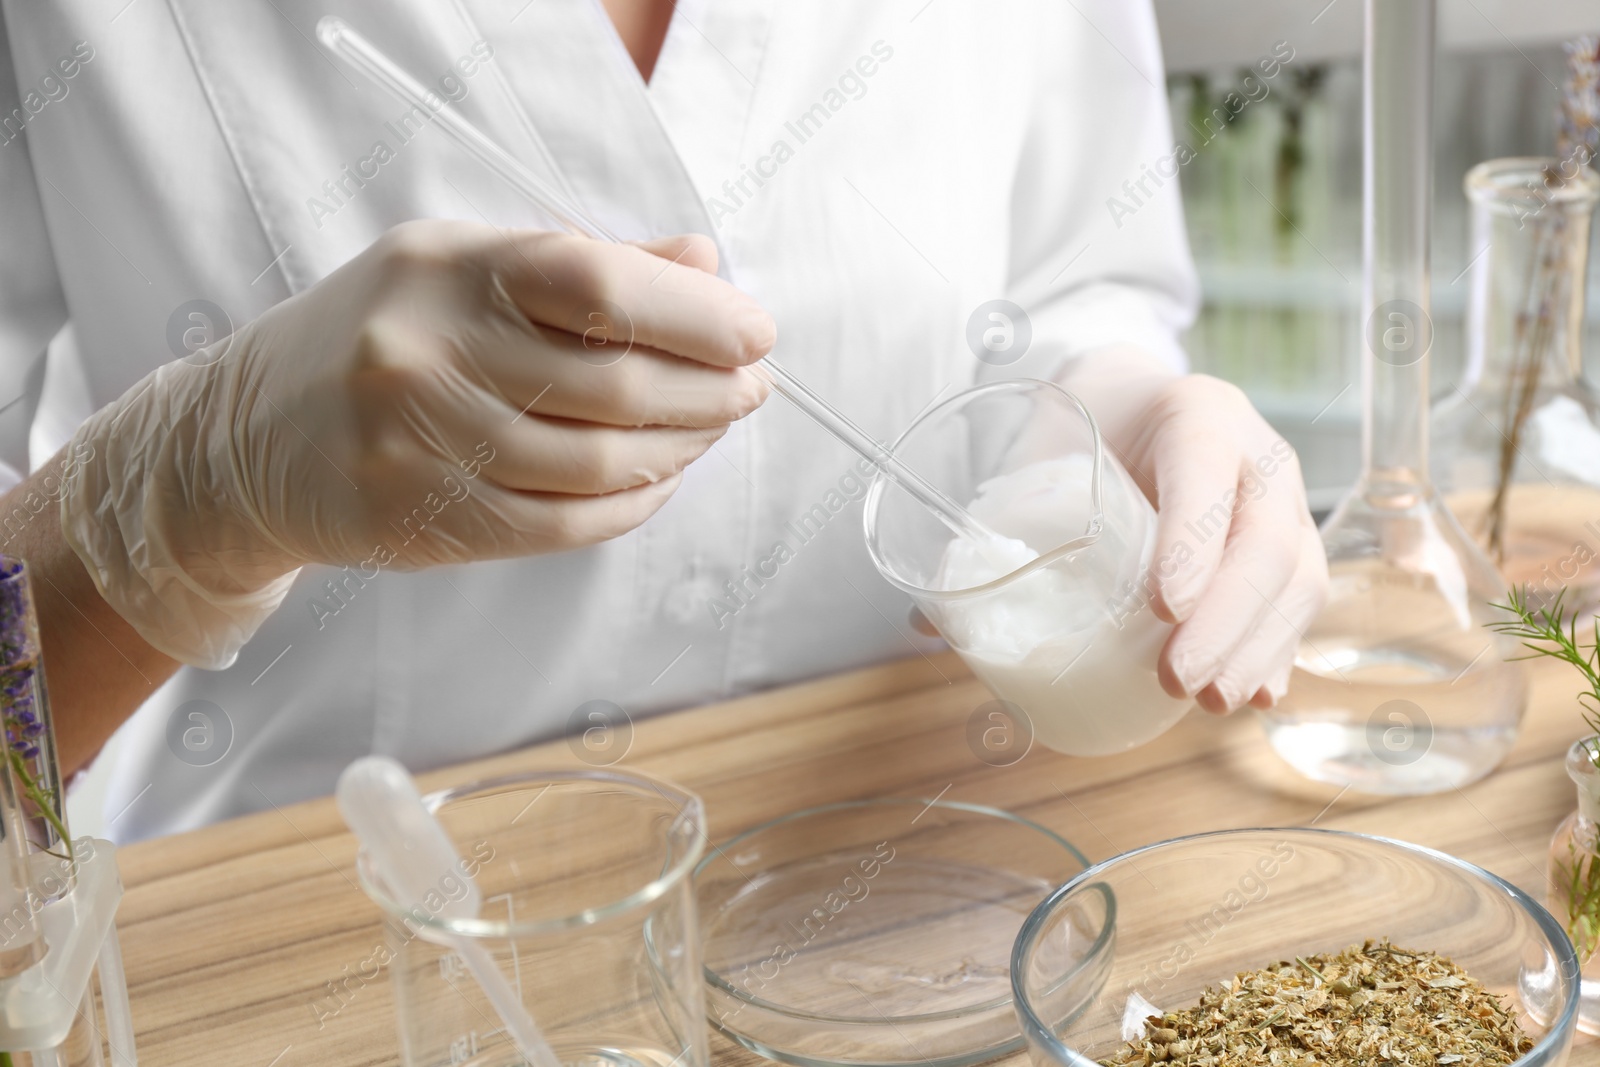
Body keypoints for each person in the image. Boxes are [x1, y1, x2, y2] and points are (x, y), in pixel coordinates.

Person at [0, 0, 1327, 840]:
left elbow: (1060, 293)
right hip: (345, 941)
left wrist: (1135, 427)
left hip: (933, 871)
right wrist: (183, 498)